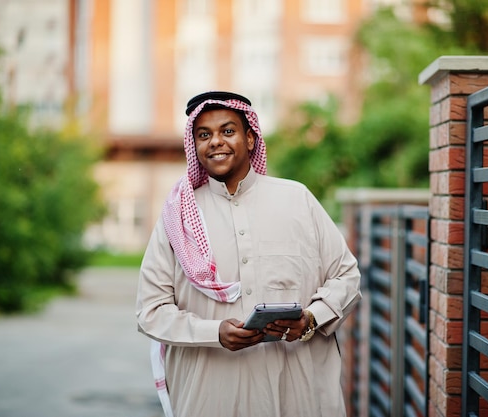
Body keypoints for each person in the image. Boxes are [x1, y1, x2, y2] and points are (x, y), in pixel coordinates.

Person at [136, 91, 362, 417]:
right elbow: (150, 310)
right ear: (194, 145)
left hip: (297, 394)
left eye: (227, 131)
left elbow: (347, 276)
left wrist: (311, 319)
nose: (215, 141)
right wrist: (214, 333)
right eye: (204, 135)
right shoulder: (179, 216)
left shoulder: (296, 200)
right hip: (209, 397)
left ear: (251, 138)